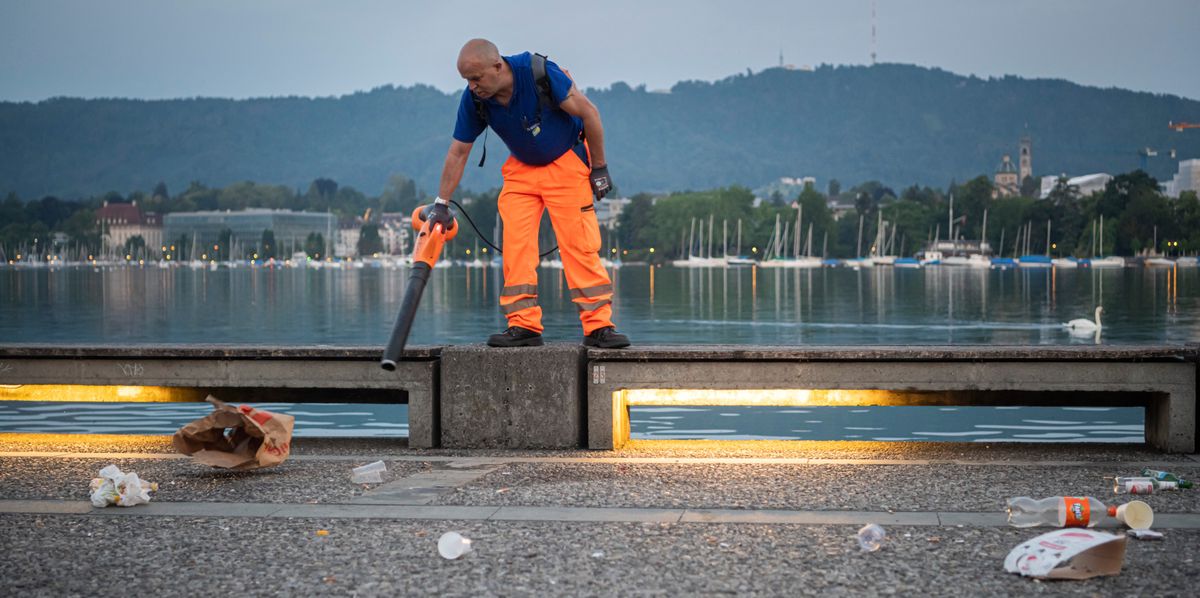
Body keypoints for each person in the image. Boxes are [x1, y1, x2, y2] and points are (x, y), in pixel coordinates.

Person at [430, 39, 630, 349]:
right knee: (516, 245)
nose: (472, 87)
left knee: (579, 244)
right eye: (467, 81)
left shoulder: (538, 73)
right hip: (522, 170)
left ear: (498, 66)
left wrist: (600, 168)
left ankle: (599, 326)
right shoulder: (475, 100)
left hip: (565, 162)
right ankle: (523, 325)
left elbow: (590, 113)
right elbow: (458, 152)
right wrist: (441, 204)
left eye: (476, 78)